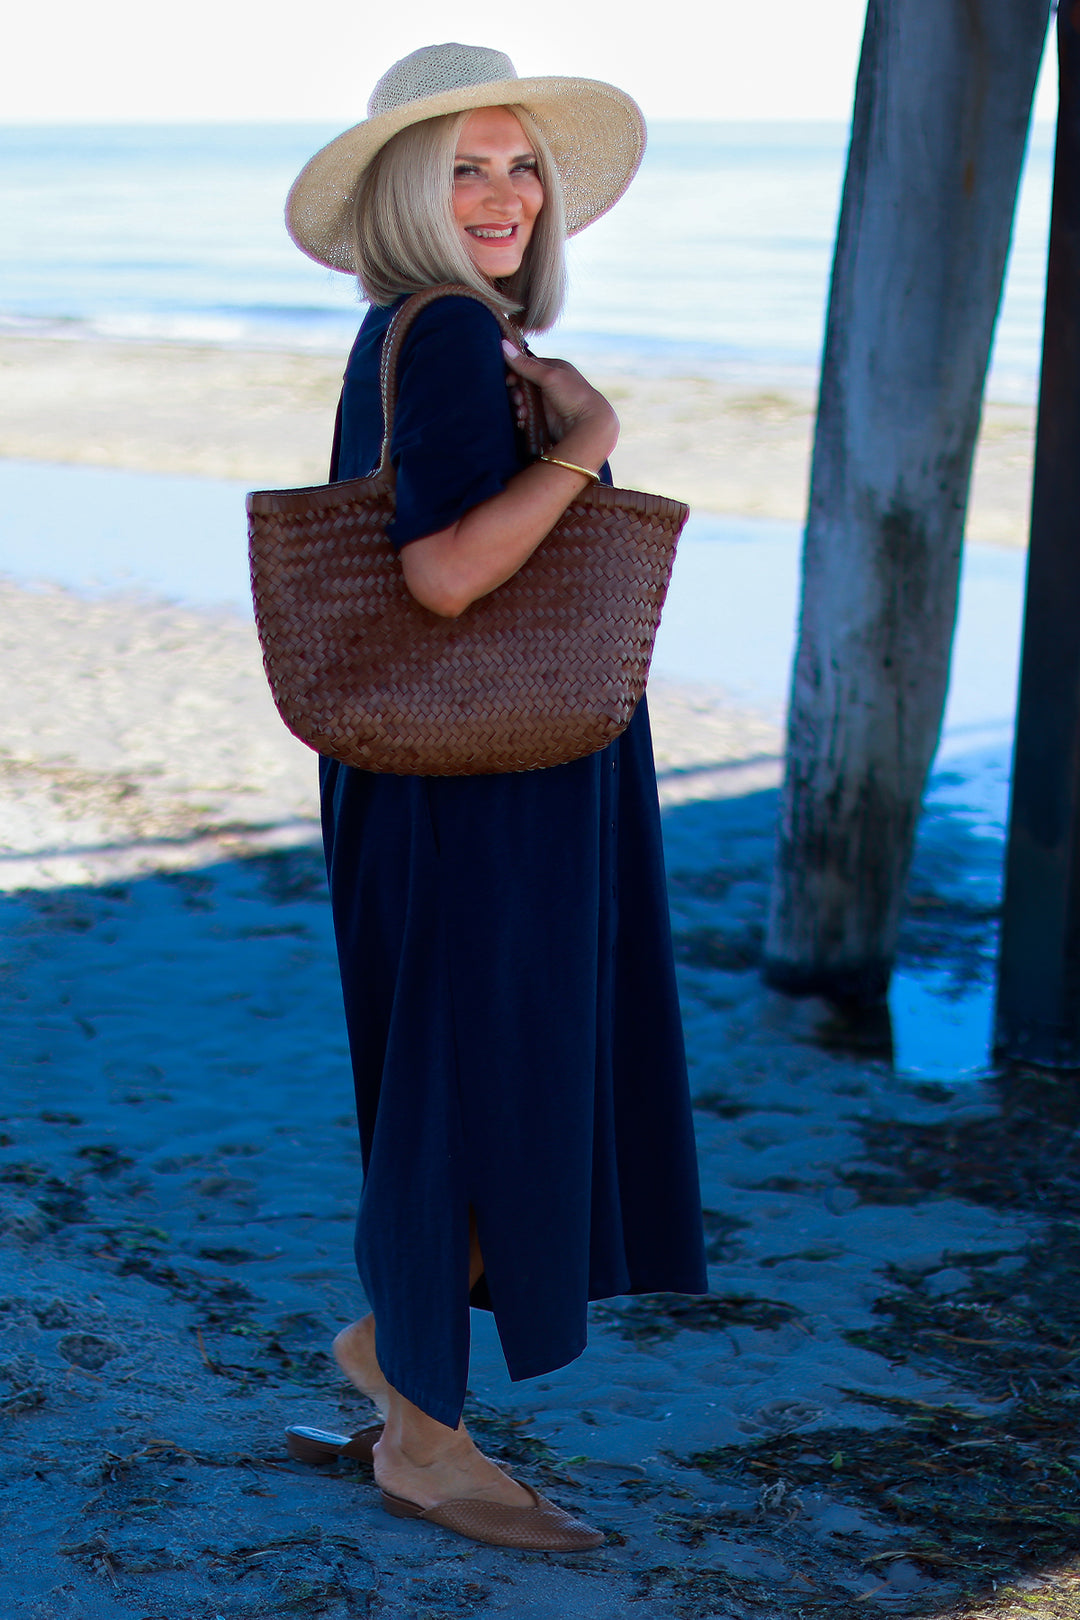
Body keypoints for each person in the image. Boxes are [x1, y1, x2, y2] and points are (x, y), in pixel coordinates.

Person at [282, 42, 707, 1550]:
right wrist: (590, 444)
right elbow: (447, 574)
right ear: (403, 188)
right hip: (478, 783)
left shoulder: (425, 328)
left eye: (523, 164)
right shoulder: (448, 329)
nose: (506, 192)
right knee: (475, 1078)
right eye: (464, 164)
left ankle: (403, 1362)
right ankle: (421, 1426)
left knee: (459, 1073)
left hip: (458, 771)